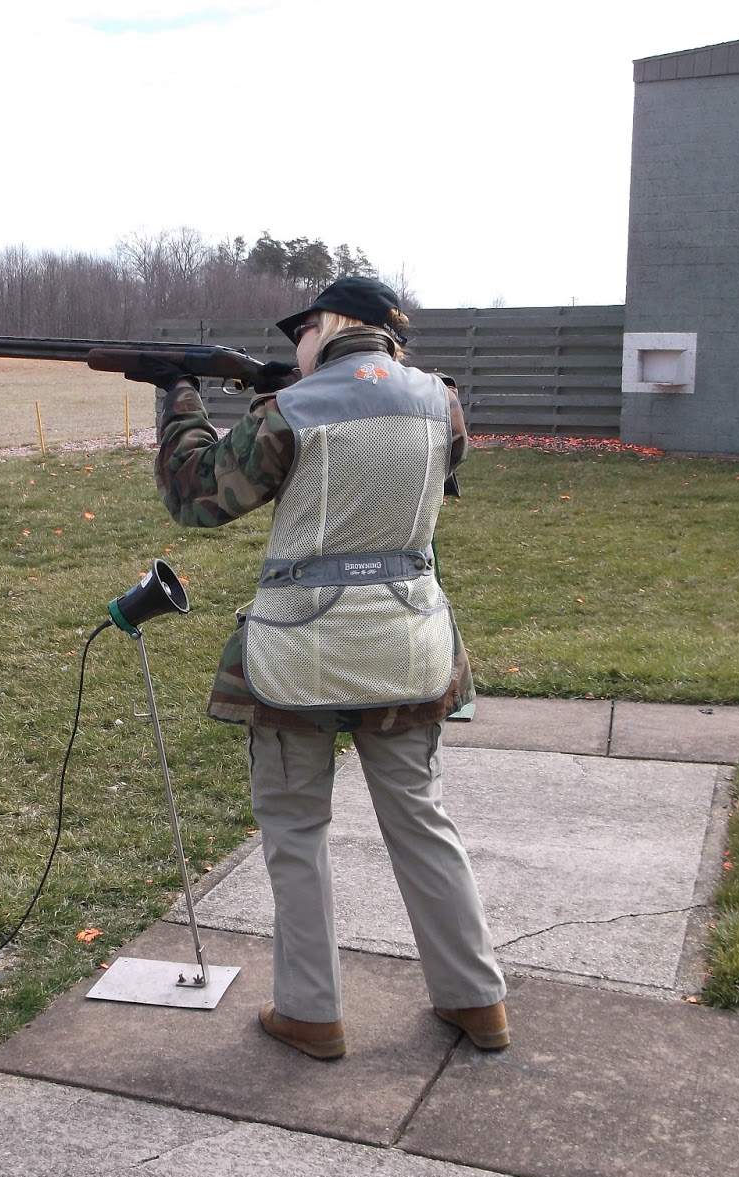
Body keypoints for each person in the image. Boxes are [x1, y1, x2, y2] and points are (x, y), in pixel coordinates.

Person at [138, 276, 508, 1060]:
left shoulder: (289, 411)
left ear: (330, 325)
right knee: (422, 823)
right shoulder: (443, 401)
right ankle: (477, 999)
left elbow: (196, 495)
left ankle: (312, 1011)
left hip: (297, 656)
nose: (293, 344)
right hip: (408, 646)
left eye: (300, 330)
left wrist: (180, 398)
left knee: (295, 832)